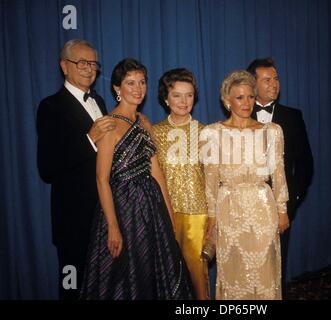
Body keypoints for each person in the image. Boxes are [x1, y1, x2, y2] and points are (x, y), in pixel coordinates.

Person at [79, 58, 194, 300]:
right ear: (117, 88)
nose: (138, 88)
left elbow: (157, 173)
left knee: (154, 271)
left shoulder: (144, 122)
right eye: (130, 83)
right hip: (123, 208)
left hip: (152, 209)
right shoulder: (108, 125)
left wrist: (170, 215)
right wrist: (112, 226)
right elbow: (102, 179)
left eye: (142, 82)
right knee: (127, 274)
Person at [36, 39, 116, 300]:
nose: (88, 68)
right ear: (64, 66)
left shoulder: (101, 101)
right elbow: (47, 167)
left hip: (104, 216)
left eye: (93, 63)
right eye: (81, 62)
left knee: (105, 287)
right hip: (73, 222)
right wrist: (89, 139)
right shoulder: (51, 107)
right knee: (73, 288)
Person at [202, 70, 289, 300]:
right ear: (226, 100)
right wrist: (211, 216)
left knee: (265, 271)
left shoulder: (272, 132)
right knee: (233, 272)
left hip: (263, 209)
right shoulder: (211, 133)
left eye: (250, 96)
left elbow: (278, 174)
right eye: (239, 97)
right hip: (229, 209)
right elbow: (210, 180)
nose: (246, 102)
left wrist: (282, 210)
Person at [247, 58, 314, 296]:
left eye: (276, 78)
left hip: (280, 207)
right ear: (252, 84)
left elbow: (305, 164)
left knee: (277, 269)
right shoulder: (239, 116)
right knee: (249, 268)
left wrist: (291, 202)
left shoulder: (293, 116)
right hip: (246, 208)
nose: (274, 84)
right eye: (267, 79)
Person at [152, 68, 209, 300]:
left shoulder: (206, 133)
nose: (183, 101)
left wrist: (214, 216)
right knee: (166, 274)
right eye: (177, 95)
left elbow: (214, 179)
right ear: (166, 98)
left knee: (198, 275)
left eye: (189, 95)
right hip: (165, 213)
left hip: (198, 214)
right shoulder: (154, 132)